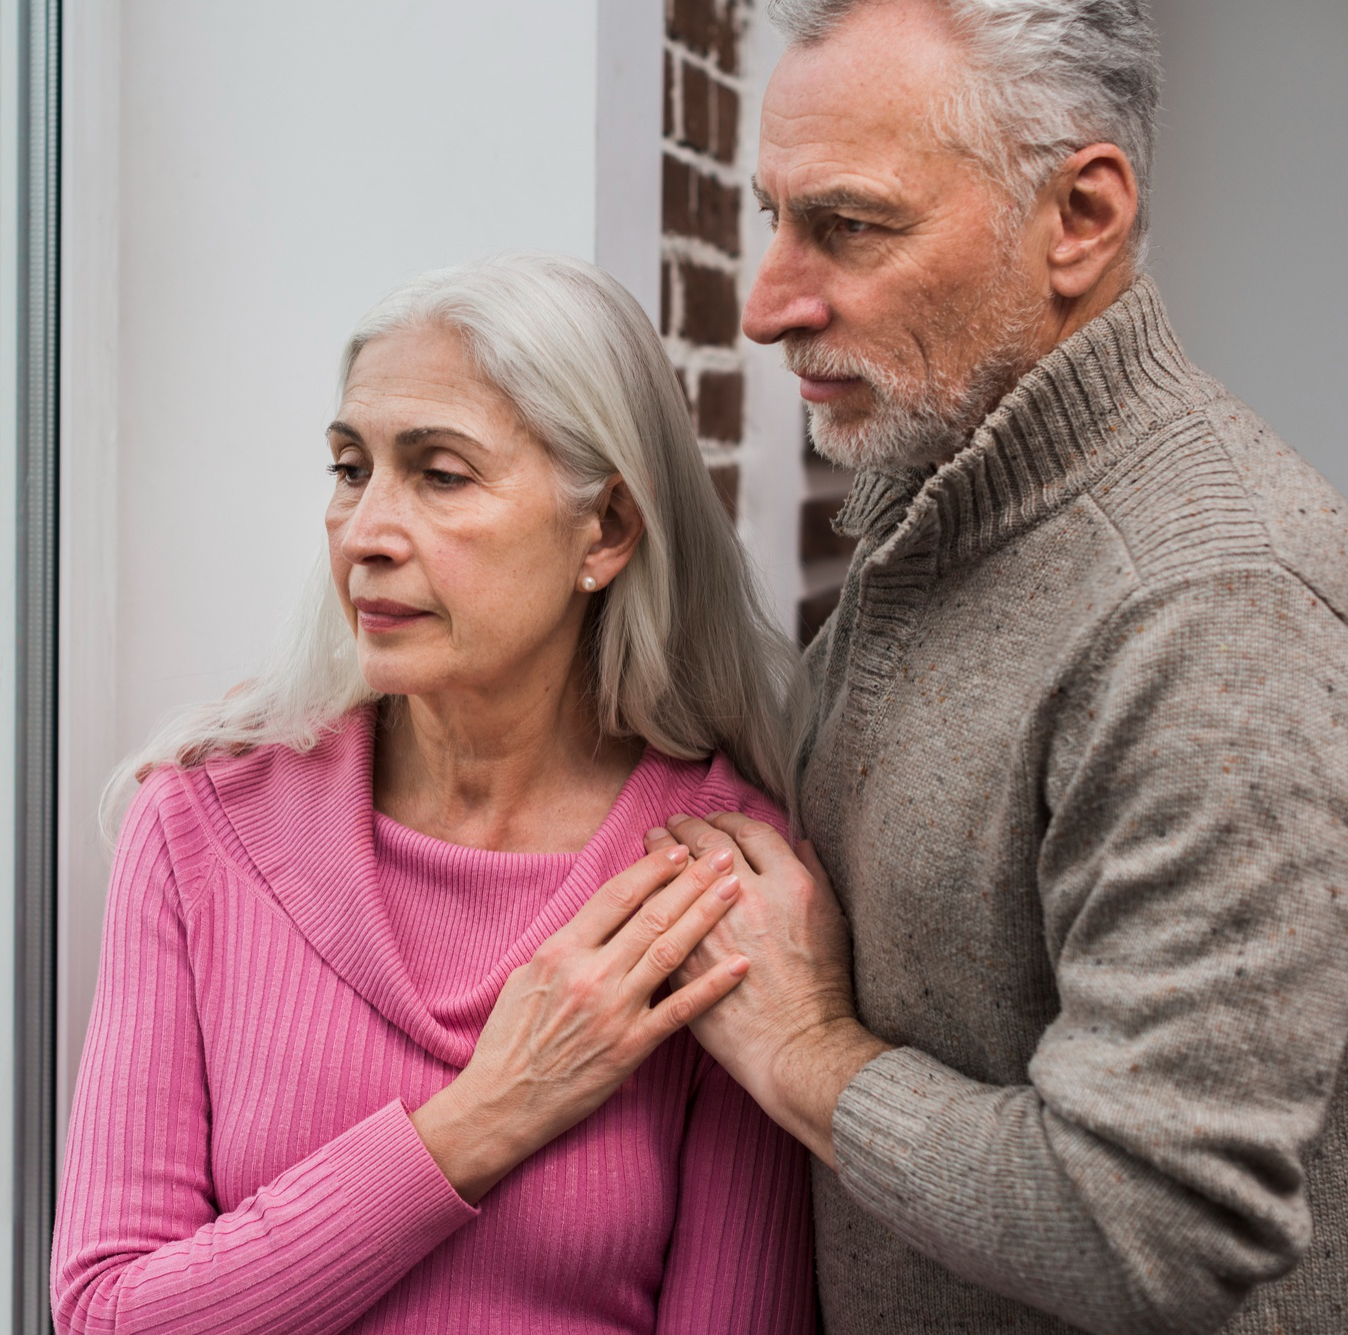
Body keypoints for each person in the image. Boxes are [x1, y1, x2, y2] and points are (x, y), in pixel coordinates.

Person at [648, 2, 1348, 1332]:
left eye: (848, 224)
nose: (768, 303)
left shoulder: (1219, 617)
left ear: (1078, 217)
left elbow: (1154, 1227)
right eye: (769, 215)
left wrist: (806, 1052)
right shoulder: (954, 511)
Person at [50, 253, 817, 1334]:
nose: (364, 533)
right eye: (349, 468)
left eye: (439, 474)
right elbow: (107, 1313)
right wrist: (485, 1117)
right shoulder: (200, 826)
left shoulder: (713, 881)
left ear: (603, 531)